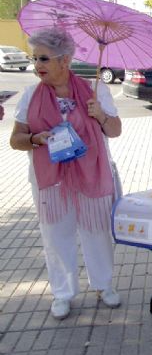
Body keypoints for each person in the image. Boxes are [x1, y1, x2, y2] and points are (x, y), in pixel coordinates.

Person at [9, 28, 122, 320]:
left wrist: (101, 115)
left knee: (96, 231)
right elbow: (16, 139)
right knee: (56, 235)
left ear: (65, 60)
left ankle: (103, 285)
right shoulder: (31, 94)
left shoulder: (96, 89)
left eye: (44, 58)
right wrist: (37, 139)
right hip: (50, 178)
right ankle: (62, 293)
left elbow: (115, 131)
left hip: (92, 173)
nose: (37, 65)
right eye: (35, 58)